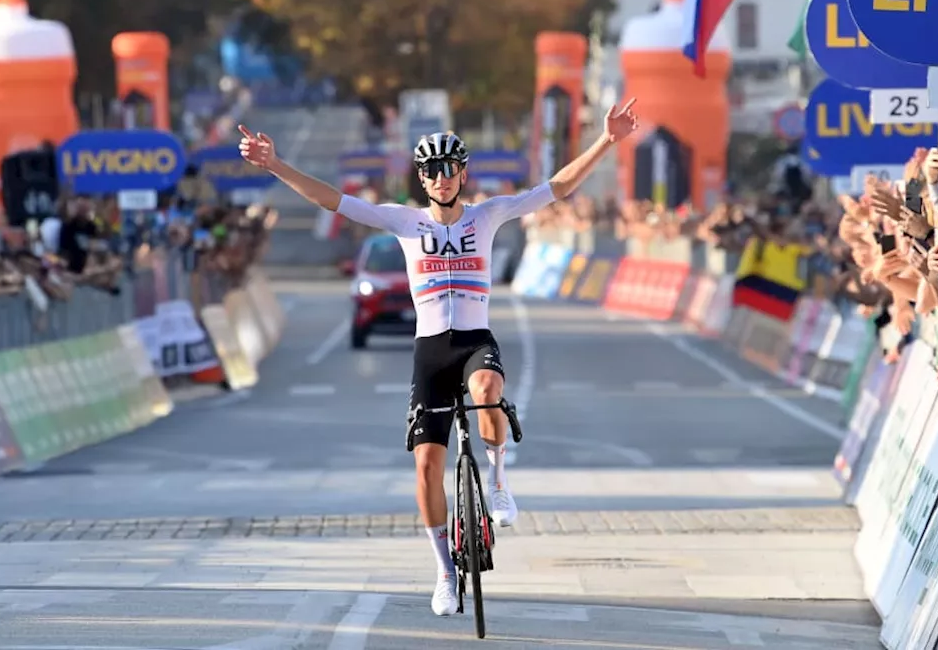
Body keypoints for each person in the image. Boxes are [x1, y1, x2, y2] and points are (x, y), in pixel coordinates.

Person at [237, 98, 640, 616]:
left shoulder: (490, 214)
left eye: (449, 169)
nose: (441, 178)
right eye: (431, 171)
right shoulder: (404, 223)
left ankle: (497, 482)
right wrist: (274, 165)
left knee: (488, 390)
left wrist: (606, 141)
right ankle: (444, 574)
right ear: (422, 179)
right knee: (427, 464)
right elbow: (331, 200)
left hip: (475, 341)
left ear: (462, 174)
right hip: (430, 351)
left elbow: (556, 188)